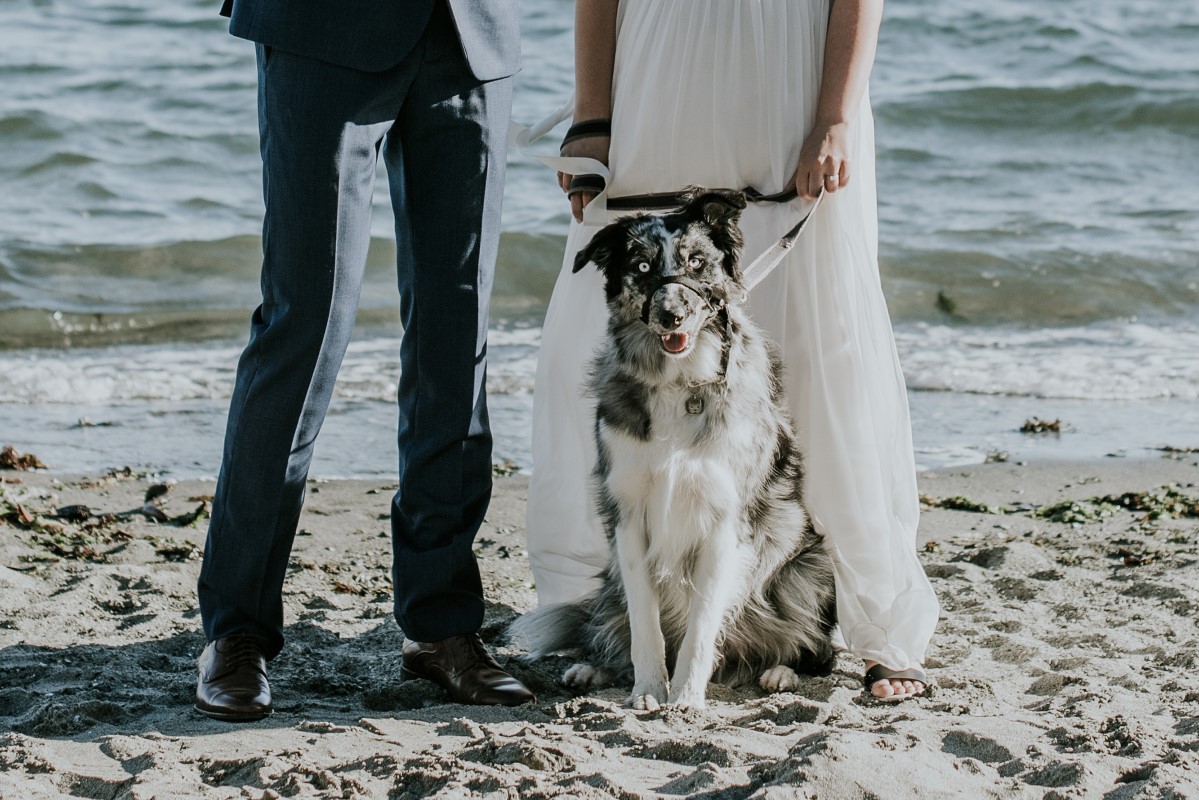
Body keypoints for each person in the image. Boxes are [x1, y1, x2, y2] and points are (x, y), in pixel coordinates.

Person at [526, 0, 940, 701]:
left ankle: (870, 624)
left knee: (819, 352)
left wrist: (834, 115)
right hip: (657, 68)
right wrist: (592, 115)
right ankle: (609, 616)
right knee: (598, 346)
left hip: (790, 69)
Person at [194, 0, 536, 721]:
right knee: (305, 325)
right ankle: (236, 630)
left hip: (471, 31)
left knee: (458, 322)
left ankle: (442, 625)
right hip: (322, 27)